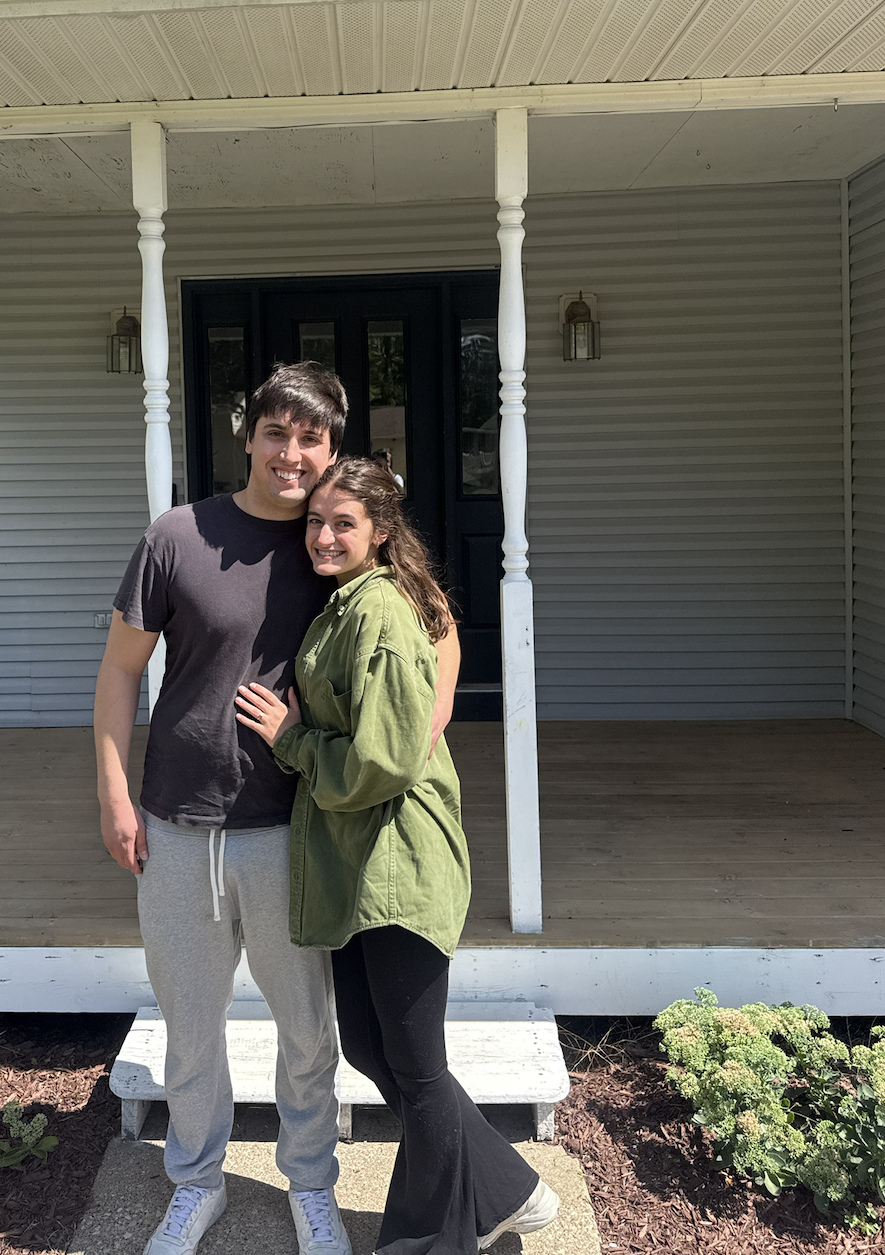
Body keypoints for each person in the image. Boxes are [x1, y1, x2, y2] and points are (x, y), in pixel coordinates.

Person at [95, 364, 460, 1255]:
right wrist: (113, 793)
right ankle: (196, 1184)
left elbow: (439, 629)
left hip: (293, 832)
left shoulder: (334, 541)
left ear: (331, 451)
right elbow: (119, 671)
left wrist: (418, 736)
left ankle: (310, 1187)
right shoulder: (178, 535)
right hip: (177, 824)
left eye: (312, 439)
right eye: (277, 434)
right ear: (247, 435)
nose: (292, 455)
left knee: (307, 1034)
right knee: (190, 1028)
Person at [236, 457, 560, 1255]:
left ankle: (426, 1241)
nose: (323, 535)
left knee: (415, 1067)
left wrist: (290, 739)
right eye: (315, 520)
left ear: (381, 534)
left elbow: (382, 763)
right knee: (375, 1050)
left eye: (343, 522)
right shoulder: (345, 605)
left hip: (397, 861)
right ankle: (510, 1190)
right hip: (356, 868)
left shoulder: (378, 612)